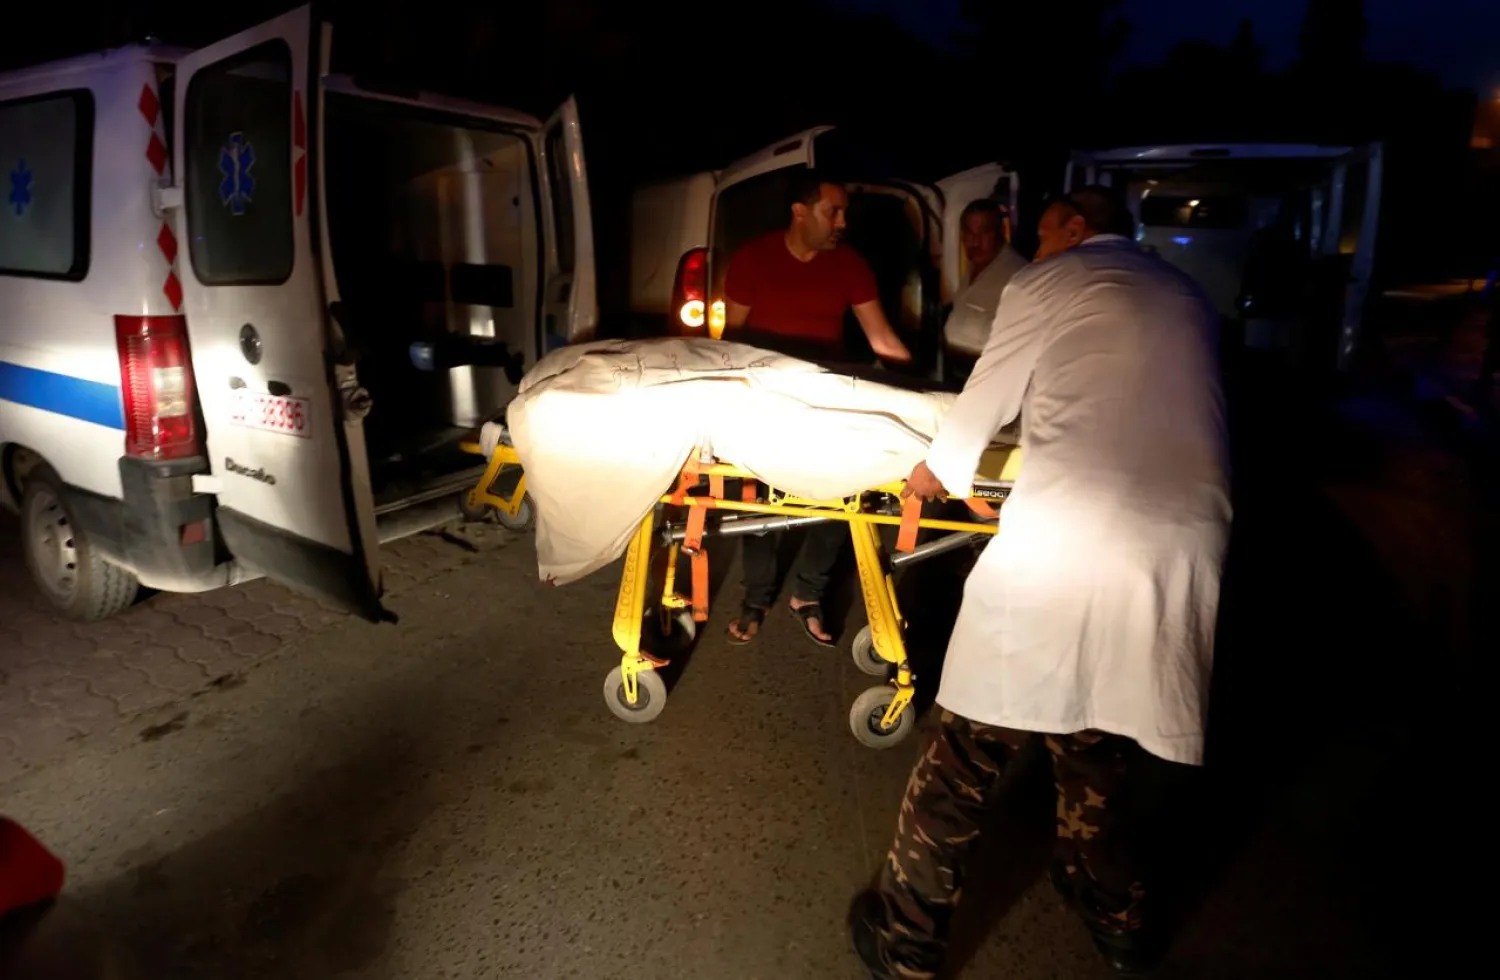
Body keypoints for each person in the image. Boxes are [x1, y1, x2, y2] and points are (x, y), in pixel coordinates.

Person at [848, 187, 1232, 978]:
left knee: (967, 748)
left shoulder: (1050, 280)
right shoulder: (1185, 292)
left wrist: (933, 473)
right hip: (1187, 542)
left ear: (1077, 229)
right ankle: (1118, 922)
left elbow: (987, 395)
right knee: (1095, 732)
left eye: (1045, 233)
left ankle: (908, 943)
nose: (1035, 247)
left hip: (1078, 533)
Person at [721, 169, 911, 646]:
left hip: (825, 400)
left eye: (844, 212)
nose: (842, 222)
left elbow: (882, 339)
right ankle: (756, 597)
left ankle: (808, 593)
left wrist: (925, 391)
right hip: (764, 400)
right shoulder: (752, 259)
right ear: (800, 212)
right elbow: (729, 341)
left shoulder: (850, 265)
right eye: (834, 211)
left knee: (840, 495)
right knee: (756, 504)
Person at [942, 198, 1029, 382]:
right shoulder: (973, 266)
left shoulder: (1018, 276)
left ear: (1001, 232)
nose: (975, 242)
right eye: (969, 233)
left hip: (986, 379)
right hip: (957, 374)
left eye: (984, 232)